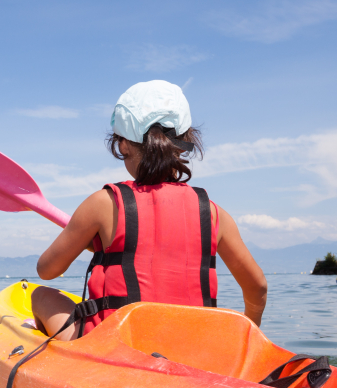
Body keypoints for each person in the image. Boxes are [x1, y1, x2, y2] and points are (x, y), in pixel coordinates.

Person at [31, 80, 268, 341]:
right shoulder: (213, 213)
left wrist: (85, 237)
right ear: (183, 143)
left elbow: (47, 269)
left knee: (41, 295)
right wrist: (250, 337)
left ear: (123, 144)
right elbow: (257, 287)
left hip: (116, 348)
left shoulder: (102, 204)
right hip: (193, 347)